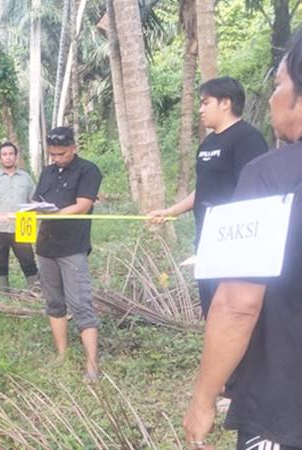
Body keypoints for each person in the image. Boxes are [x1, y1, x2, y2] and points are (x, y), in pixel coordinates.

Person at [183, 36, 302, 450]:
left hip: (282, 409)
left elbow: (237, 303)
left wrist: (203, 399)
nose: (272, 98)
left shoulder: (268, 173)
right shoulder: (212, 146)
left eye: (279, 85)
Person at [148, 77, 268, 316]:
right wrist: (169, 211)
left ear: (225, 103)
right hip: (206, 240)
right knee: (211, 308)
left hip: (236, 243)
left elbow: (255, 191)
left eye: (205, 102)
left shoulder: (247, 139)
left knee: (234, 311)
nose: (200, 110)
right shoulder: (207, 143)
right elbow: (204, 188)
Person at [33, 126, 103, 381]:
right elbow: (36, 200)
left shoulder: (88, 171)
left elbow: (83, 206)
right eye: (53, 154)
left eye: (62, 153)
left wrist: (53, 213)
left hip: (72, 246)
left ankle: (92, 365)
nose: (57, 158)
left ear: (74, 147)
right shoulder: (48, 172)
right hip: (46, 246)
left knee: (80, 303)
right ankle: (62, 354)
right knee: (53, 302)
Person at [0, 142, 39, 290]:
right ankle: (4, 293)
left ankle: (36, 290)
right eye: (4, 155)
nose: (8, 158)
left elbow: (33, 203)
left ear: (16, 156)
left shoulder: (26, 178)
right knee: (0, 262)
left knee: (28, 261)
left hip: (23, 225)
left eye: (11, 154)